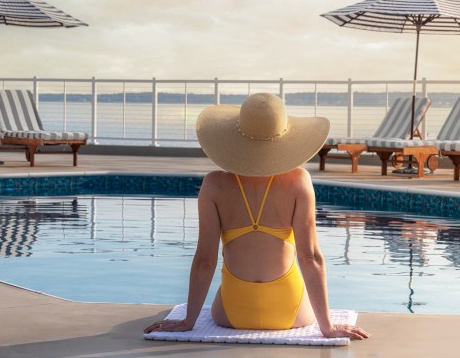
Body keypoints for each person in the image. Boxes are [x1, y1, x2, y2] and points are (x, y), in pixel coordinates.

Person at [144, 93, 370, 340]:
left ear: (234, 137)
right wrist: (327, 326)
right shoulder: (298, 182)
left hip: (232, 314)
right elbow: (310, 256)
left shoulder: (214, 185)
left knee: (224, 285)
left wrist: (189, 321)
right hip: (291, 311)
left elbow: (204, 261)